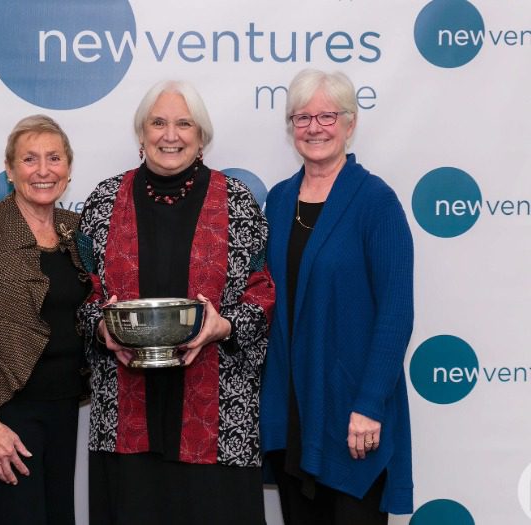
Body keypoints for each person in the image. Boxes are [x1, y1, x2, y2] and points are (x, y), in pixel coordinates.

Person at [77, 80, 275, 525]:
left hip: (218, 420)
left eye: (184, 123)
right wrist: (102, 328)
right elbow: (84, 293)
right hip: (124, 418)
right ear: (141, 133)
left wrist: (222, 326)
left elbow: (262, 294)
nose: (171, 134)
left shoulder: (239, 202)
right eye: (158, 122)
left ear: (201, 136)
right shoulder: (104, 201)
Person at [260, 69, 414, 524]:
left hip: (353, 415)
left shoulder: (376, 202)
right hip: (294, 411)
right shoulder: (281, 200)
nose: (314, 127)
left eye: (327, 115)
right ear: (291, 128)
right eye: (302, 117)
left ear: (350, 123)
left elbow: (396, 313)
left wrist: (369, 405)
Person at [0, 115, 91, 525]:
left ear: (68, 168)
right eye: (29, 159)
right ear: (10, 170)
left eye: (54, 158)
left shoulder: (76, 230)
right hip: (6, 410)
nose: (43, 171)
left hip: (63, 409)